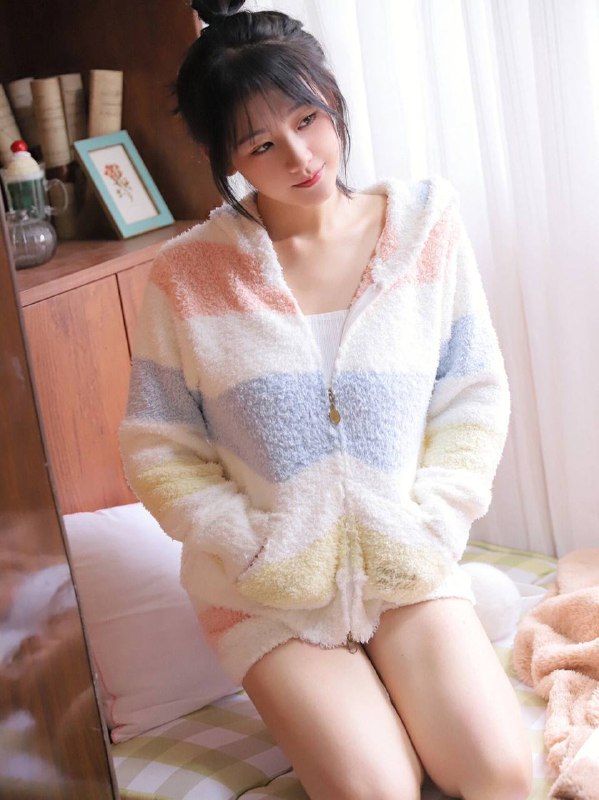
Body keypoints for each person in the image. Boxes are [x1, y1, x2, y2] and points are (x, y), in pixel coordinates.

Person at [118, 2, 532, 798]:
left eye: (308, 119)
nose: (301, 156)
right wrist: (251, 547)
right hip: (267, 593)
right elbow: (157, 446)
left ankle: (424, 642)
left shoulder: (423, 227)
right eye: (260, 144)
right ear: (222, 157)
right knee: (376, 791)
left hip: (403, 564)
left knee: (501, 774)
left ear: (333, 99)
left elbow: (472, 395)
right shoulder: (187, 275)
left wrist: (433, 521)